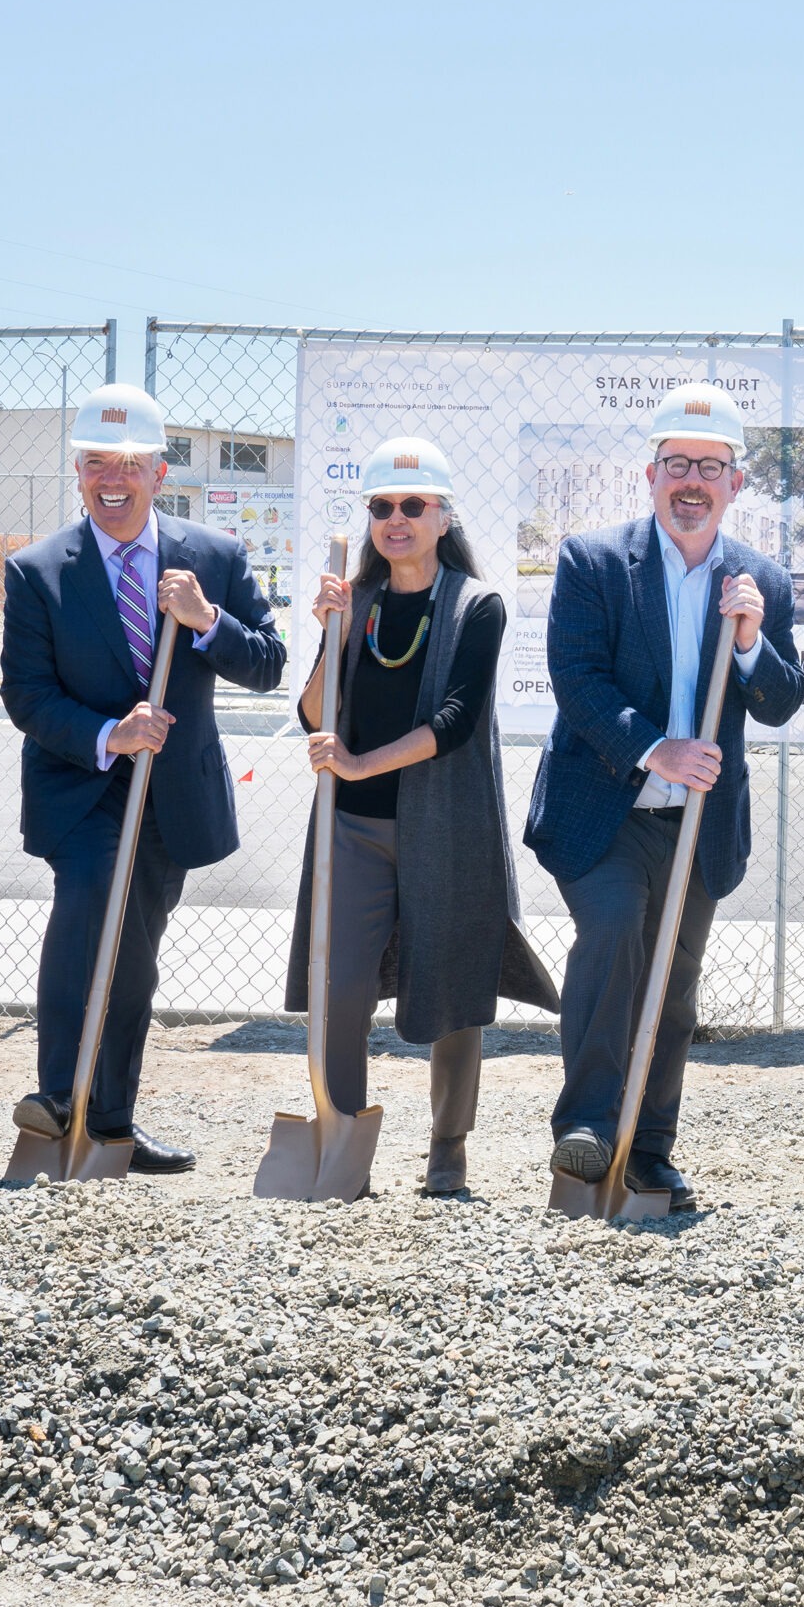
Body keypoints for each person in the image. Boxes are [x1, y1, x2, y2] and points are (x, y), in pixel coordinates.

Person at [524, 382, 804, 1212]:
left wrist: (751, 642)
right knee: (613, 936)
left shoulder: (761, 580)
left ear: (736, 483)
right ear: (651, 475)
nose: (692, 480)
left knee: (675, 985)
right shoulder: (594, 560)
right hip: (604, 808)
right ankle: (585, 1130)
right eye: (677, 463)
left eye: (710, 466)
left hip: (699, 825)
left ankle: (648, 1151)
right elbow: (578, 681)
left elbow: (782, 700)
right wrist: (658, 747)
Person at [0, 383, 286, 1173]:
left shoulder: (214, 559)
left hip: (171, 795)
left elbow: (268, 663)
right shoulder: (37, 571)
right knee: (89, 903)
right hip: (83, 782)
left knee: (135, 952)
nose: (111, 478)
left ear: (161, 472)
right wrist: (108, 734)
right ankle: (59, 1095)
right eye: (95, 462)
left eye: (129, 462)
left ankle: (113, 1122)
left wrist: (207, 623)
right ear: (80, 472)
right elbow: (24, 695)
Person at [284, 437, 558, 1196]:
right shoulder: (358, 603)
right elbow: (312, 711)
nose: (396, 518)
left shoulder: (478, 607)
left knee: (450, 983)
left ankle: (448, 1146)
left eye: (414, 505)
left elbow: (457, 720)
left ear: (443, 516)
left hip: (445, 824)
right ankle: (339, 1134)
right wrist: (330, 632)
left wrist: (360, 762)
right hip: (354, 829)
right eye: (381, 506)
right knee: (338, 983)